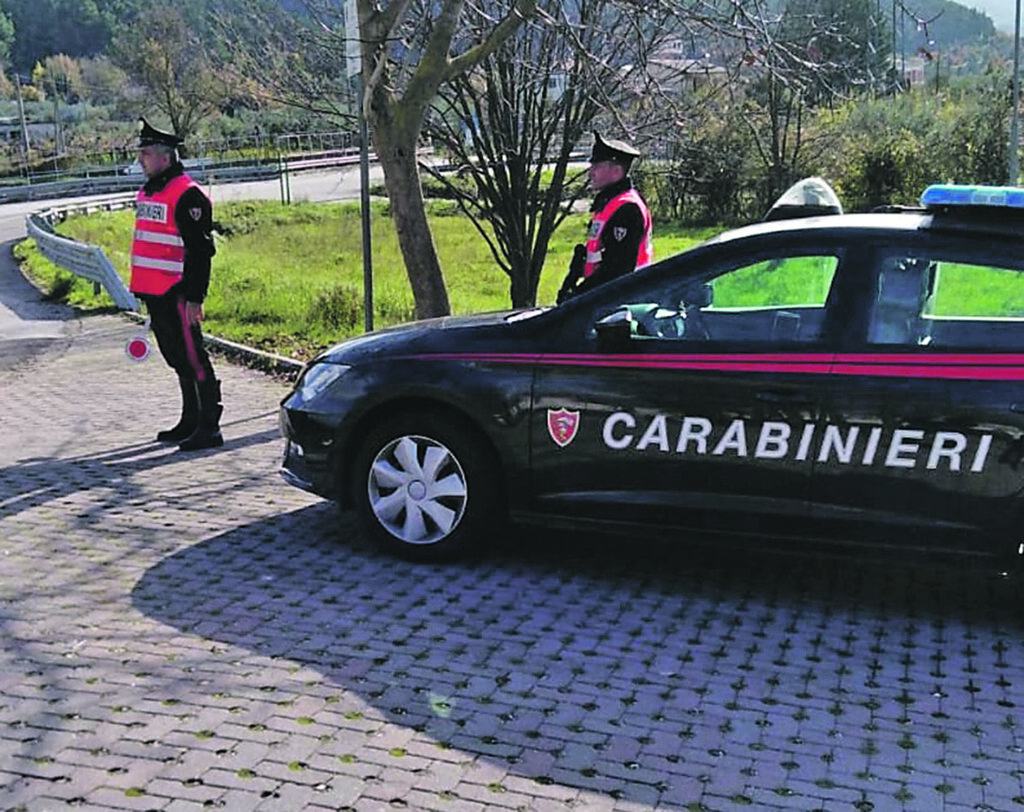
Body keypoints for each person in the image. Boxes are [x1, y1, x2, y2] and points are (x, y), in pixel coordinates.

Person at [129, 118, 222, 451]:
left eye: (146, 153)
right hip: (156, 291)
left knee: (193, 357)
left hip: (178, 292)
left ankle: (209, 426)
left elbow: (200, 252)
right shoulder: (151, 191)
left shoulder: (188, 195)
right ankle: (190, 419)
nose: (141, 159)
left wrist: (196, 297)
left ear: (166, 156)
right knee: (175, 356)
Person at [557, 132, 653, 303]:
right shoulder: (609, 203)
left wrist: (578, 298)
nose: (590, 172)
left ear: (616, 171)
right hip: (608, 298)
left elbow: (616, 271)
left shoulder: (627, 209)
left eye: (597, 166)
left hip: (624, 300)